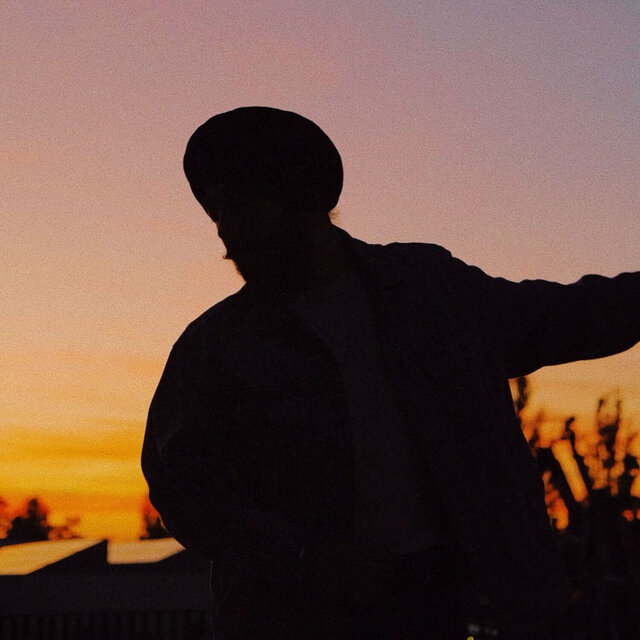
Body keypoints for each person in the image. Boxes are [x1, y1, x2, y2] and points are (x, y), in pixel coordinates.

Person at [141, 106, 640, 639]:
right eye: (215, 212)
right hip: (300, 621)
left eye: (238, 206)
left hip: (454, 607)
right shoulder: (214, 347)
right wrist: (306, 559)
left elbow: (561, 316)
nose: (225, 231)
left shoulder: (429, 291)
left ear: (301, 197)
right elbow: (183, 489)